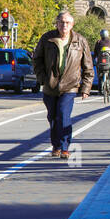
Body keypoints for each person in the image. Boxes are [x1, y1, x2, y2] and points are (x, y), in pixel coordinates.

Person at [34, 10, 93, 158]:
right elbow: (37, 59)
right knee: (52, 117)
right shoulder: (47, 38)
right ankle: (56, 145)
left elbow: (88, 66)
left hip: (70, 85)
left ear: (72, 24)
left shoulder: (80, 41)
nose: (64, 25)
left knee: (63, 115)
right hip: (50, 85)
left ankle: (65, 147)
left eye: (67, 22)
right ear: (57, 24)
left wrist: (86, 88)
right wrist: (42, 78)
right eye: (61, 22)